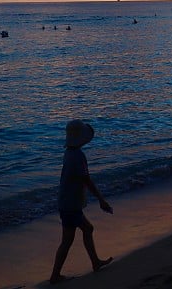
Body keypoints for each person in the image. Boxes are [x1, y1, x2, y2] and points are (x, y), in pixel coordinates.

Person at [50, 120, 113, 285]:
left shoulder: (69, 153)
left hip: (67, 202)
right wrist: (101, 200)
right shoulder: (78, 155)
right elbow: (87, 180)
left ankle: (94, 262)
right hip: (70, 204)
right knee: (74, 236)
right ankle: (56, 275)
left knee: (75, 235)